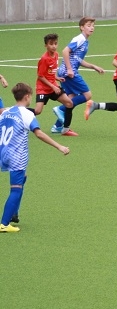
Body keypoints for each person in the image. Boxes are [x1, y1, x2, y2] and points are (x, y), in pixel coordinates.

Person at [1, 83, 71, 232]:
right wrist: (59, 146)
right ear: (27, 96)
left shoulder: (5, 112)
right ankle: (4, 224)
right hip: (16, 156)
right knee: (16, 189)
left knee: (23, 178)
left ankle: (14, 213)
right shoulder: (27, 114)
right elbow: (38, 133)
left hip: (3, 152)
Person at [52, 17, 106, 136]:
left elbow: (78, 59)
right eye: (88, 25)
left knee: (71, 98)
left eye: (93, 25)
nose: (92, 28)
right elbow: (65, 51)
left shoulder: (85, 41)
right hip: (69, 73)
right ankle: (60, 109)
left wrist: (93, 66)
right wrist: (69, 69)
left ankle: (57, 126)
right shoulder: (80, 38)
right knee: (87, 95)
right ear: (82, 27)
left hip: (64, 72)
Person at [33, 34, 74, 120]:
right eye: (51, 44)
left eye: (55, 43)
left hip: (53, 87)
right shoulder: (44, 59)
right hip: (43, 89)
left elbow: (50, 71)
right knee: (37, 111)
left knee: (69, 103)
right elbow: (40, 76)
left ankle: (65, 127)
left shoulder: (56, 55)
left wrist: (56, 78)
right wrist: (53, 86)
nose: (54, 46)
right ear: (46, 45)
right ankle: (18, 112)